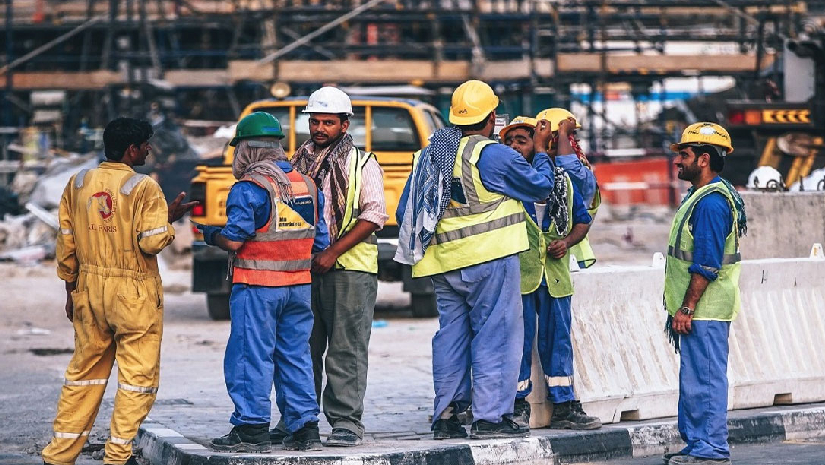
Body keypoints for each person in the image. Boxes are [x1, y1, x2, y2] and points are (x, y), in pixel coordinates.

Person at [395, 80, 555, 440]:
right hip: (490, 259)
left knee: (451, 337)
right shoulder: (492, 155)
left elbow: (407, 210)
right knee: (496, 336)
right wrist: (542, 149)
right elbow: (540, 186)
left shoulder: (430, 154)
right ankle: (490, 418)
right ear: (492, 117)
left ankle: (448, 416)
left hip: (443, 263)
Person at [43, 117, 197, 465]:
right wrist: (168, 221)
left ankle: (58, 455)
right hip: (132, 293)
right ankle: (116, 456)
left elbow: (66, 244)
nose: (149, 150)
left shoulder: (78, 182)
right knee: (136, 380)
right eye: (145, 145)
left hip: (88, 291)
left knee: (84, 376)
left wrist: (71, 292)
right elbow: (152, 241)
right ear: (132, 149)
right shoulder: (143, 187)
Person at [198, 112, 328, 453]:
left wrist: (211, 235)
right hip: (299, 287)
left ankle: (251, 428)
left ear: (248, 150)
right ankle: (305, 429)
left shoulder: (249, 188)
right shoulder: (307, 185)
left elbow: (235, 240)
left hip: (257, 286)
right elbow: (321, 242)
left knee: (249, 355)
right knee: (295, 355)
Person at [290, 87, 387, 447]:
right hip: (305, 269)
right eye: (314, 121)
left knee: (346, 348)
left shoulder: (362, 164)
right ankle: (301, 420)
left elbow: (374, 215)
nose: (319, 128)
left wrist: (331, 252)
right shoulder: (297, 164)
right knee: (304, 347)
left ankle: (346, 421)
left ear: (344, 125)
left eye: (328, 122)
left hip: (349, 269)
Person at [500, 117, 602, 431]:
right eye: (510, 141)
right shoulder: (505, 183)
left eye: (522, 140)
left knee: (558, 341)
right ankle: (515, 405)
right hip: (521, 276)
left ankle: (564, 405)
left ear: (537, 144)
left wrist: (567, 241)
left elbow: (582, 221)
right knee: (517, 342)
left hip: (555, 278)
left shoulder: (562, 182)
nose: (515, 146)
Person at [663, 122, 747, 465]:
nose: (678, 161)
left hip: (705, 309)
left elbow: (707, 263)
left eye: (685, 154)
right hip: (701, 309)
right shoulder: (702, 196)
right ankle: (698, 442)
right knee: (695, 380)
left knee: (706, 380)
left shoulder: (712, 203)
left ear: (704, 159)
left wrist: (687, 307)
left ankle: (710, 447)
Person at [535, 108, 600, 269]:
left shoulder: (583, 174)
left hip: (572, 258)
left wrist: (562, 134)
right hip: (541, 261)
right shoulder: (537, 172)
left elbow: (569, 168)